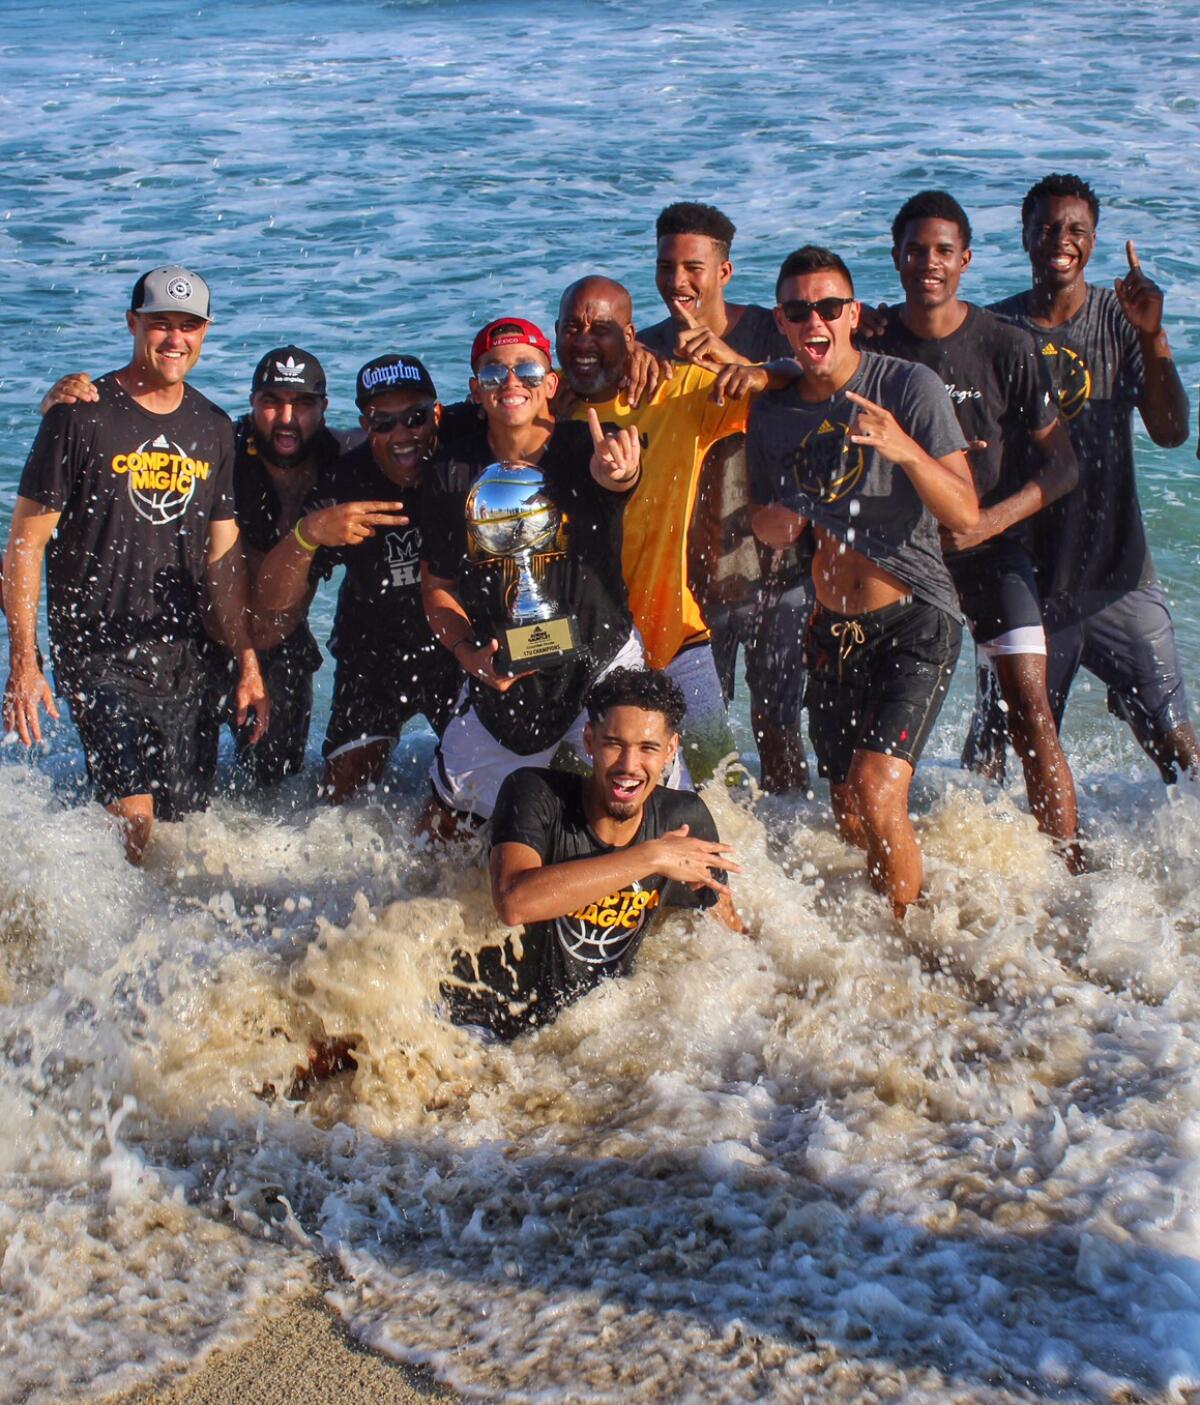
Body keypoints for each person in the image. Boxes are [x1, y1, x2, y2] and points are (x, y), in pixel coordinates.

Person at [2, 265, 268, 863]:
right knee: (134, 821)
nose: (175, 339)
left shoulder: (214, 428)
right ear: (133, 324)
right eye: (160, 325)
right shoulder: (79, 416)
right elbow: (24, 543)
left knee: (182, 831)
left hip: (185, 656)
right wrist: (25, 659)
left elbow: (222, 561)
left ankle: (160, 946)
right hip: (96, 653)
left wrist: (247, 659)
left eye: (188, 326)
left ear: (205, 333)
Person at [746, 246, 977, 919]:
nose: (813, 319)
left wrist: (903, 446)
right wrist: (778, 523)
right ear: (783, 323)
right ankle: (903, 895)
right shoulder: (776, 411)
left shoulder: (907, 387)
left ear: (851, 314)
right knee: (848, 803)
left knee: (878, 791)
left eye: (827, 306)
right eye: (797, 310)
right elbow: (765, 519)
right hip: (830, 629)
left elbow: (962, 511)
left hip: (914, 618)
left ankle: (905, 951)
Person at [875, 191, 1082, 866]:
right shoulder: (873, 346)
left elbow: (1063, 466)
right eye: (914, 250)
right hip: (905, 562)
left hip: (992, 551)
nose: (928, 263)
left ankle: (1065, 860)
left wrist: (987, 521)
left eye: (942, 251)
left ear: (965, 259)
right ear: (897, 256)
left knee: (1028, 702)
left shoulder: (1005, 345)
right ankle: (892, 853)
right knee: (878, 719)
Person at [34, 345, 345, 790]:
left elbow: (413, 442)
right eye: (272, 402)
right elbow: (133, 439)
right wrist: (56, 408)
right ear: (252, 403)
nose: (287, 419)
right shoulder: (222, 445)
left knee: (273, 791)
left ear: (324, 408)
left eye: (303, 404)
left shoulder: (343, 461)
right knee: (172, 797)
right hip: (203, 637)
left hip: (280, 647)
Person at [970, 173, 1196, 782]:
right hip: (1024, 585)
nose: (1060, 240)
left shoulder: (1121, 321)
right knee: (989, 767)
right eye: (1046, 227)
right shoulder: (993, 330)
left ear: (1093, 241)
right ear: (1024, 236)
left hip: (1119, 578)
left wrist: (1152, 336)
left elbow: (1172, 430)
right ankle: (993, 876)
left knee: (1181, 750)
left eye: (1076, 230)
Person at [556, 275, 786, 784]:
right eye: (572, 328)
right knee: (580, 796)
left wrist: (734, 360)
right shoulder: (547, 406)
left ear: (632, 336)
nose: (585, 340)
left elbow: (797, 388)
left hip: (673, 632)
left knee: (724, 794)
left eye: (602, 329)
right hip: (587, 647)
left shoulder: (676, 391)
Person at [420, 317, 643, 830]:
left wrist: (620, 472)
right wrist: (467, 656)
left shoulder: (590, 446)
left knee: (645, 814)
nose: (511, 382)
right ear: (476, 392)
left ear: (552, 382)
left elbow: (618, 478)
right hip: (503, 667)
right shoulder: (452, 472)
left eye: (526, 368)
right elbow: (438, 590)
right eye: (494, 374)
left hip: (602, 653)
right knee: (444, 831)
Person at [442, 666, 742, 1038]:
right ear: (588, 740)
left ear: (670, 750)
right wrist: (651, 857)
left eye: (648, 748)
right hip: (481, 1020)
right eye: (614, 744)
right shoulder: (534, 793)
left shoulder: (683, 818)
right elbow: (514, 902)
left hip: (590, 1036)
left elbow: (727, 928)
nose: (629, 766)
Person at [637, 202, 811, 793]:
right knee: (690, 737)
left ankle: (787, 852)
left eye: (693, 267)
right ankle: (709, 848)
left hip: (778, 574)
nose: (677, 282)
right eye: (666, 267)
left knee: (778, 727)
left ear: (725, 271)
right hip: (689, 578)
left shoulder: (767, 330)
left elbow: (818, 382)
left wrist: (746, 367)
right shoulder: (648, 349)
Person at [255, 355, 462, 803]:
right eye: (382, 423)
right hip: (373, 655)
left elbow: (526, 405)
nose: (402, 435)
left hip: (456, 649)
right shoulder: (343, 481)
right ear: (365, 425)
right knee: (337, 803)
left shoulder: (464, 450)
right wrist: (308, 535)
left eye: (414, 418)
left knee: (477, 789)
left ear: (437, 414)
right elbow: (270, 603)